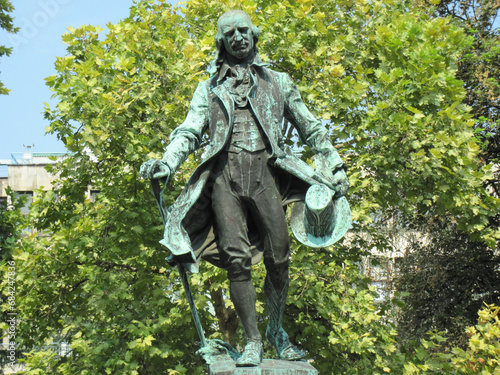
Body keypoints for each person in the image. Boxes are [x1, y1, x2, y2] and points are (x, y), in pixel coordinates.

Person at [140, 10, 348, 367]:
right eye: (229, 33)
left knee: (279, 257)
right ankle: (253, 340)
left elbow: (311, 128)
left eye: (243, 30)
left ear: (254, 34)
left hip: (266, 175)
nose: (238, 37)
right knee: (237, 262)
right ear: (221, 42)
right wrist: (166, 163)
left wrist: (335, 163)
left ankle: (277, 332)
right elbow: (189, 131)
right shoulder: (208, 88)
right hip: (224, 179)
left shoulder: (279, 82)